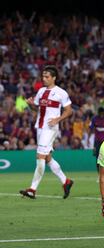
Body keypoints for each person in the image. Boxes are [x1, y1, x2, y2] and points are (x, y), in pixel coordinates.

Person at [19, 65, 74, 199]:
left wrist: (58, 119)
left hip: (50, 128)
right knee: (47, 157)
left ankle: (32, 189)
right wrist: (30, 104)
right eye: (43, 76)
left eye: (47, 76)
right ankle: (66, 181)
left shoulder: (61, 92)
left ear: (54, 78)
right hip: (40, 127)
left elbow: (69, 111)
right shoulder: (41, 91)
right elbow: (36, 110)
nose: (44, 78)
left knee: (40, 156)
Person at [90, 107, 104, 172]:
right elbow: (91, 128)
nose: (102, 114)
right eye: (101, 113)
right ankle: (99, 174)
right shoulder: (94, 119)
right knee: (98, 158)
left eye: (103, 113)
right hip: (97, 142)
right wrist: (89, 138)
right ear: (99, 113)